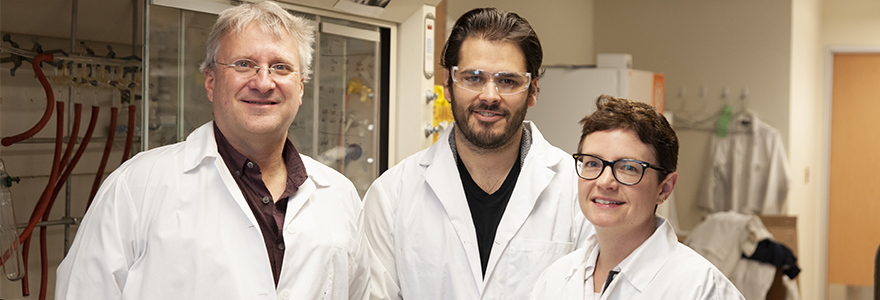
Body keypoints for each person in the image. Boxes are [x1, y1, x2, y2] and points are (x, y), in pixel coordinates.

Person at [55, 2, 369, 299]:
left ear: (300, 88)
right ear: (210, 81)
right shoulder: (136, 187)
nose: (263, 82)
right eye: (244, 64)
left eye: (280, 67)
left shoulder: (340, 196)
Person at [364, 7, 591, 300]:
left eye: (507, 81)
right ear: (448, 84)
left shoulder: (577, 191)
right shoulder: (392, 195)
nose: (489, 95)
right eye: (473, 78)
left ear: (532, 91)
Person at [530, 95, 744, 299]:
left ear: (665, 189)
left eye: (628, 168)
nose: (605, 182)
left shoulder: (701, 289)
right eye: (593, 163)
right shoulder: (554, 280)